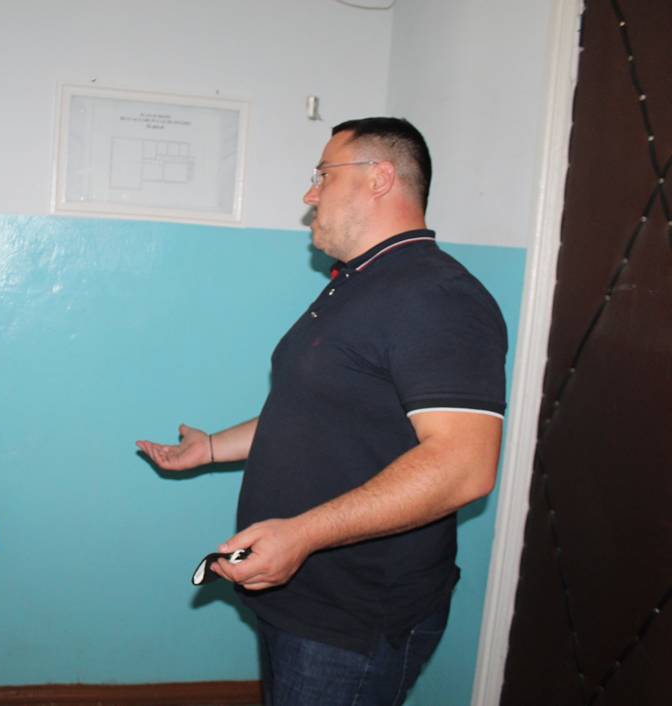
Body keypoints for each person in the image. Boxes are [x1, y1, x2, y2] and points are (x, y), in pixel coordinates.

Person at [137, 117, 506, 706]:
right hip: (301, 594)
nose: (310, 194)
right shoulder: (359, 282)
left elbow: (464, 467)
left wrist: (303, 534)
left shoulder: (437, 297)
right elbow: (318, 413)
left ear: (379, 178)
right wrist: (209, 449)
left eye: (323, 175)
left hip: (354, 616)